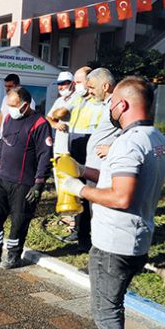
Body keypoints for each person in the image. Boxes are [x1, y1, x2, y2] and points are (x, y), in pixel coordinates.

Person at [58, 77, 165, 329]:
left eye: (111, 102)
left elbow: (121, 196)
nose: (108, 107)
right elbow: (116, 178)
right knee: (113, 305)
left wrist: (78, 189)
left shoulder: (129, 143)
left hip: (114, 243)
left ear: (122, 104)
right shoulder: (155, 138)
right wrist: (83, 171)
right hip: (137, 238)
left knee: (105, 312)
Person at [0, 87, 53, 269]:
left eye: (13, 105)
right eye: (8, 105)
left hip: (23, 183)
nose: (9, 109)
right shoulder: (8, 118)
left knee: (19, 221)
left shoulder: (39, 124)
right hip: (1, 177)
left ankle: (13, 255)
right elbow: (4, 143)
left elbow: (45, 156)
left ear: (25, 105)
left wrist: (38, 184)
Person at [64, 66, 104, 248]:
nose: (77, 86)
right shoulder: (77, 99)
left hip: (91, 147)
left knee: (90, 192)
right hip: (75, 143)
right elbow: (62, 113)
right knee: (77, 190)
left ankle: (89, 237)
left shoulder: (102, 102)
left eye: (79, 82)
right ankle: (79, 231)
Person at [84, 68, 119, 173]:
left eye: (92, 87)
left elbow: (131, 132)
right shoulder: (106, 105)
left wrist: (113, 150)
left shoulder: (116, 106)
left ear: (105, 87)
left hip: (103, 169)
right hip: (95, 168)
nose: (89, 91)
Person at [0, 74, 36, 144]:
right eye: (6, 86)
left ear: (18, 86)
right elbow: (1, 116)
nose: (7, 89)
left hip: (17, 140)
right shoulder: (5, 98)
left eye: (10, 86)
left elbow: (30, 121)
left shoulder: (28, 101)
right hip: (2, 137)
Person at [46, 71, 77, 156]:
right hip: (59, 147)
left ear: (73, 83)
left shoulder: (77, 97)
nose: (60, 87)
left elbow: (60, 114)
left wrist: (55, 114)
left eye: (63, 84)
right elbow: (48, 118)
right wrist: (55, 124)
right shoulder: (60, 100)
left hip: (72, 149)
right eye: (58, 84)